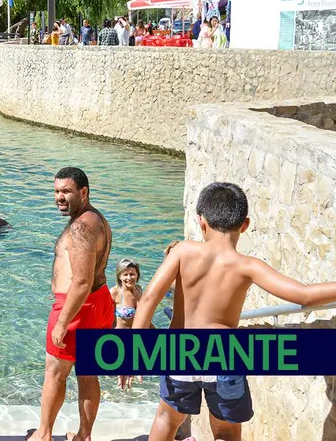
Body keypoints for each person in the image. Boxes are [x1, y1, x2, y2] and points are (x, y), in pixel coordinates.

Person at [121, 182, 336, 441]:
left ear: (201, 222)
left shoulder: (183, 251)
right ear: (244, 225)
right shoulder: (248, 266)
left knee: (167, 419)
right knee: (225, 431)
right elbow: (305, 296)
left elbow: (149, 300)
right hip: (223, 355)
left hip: (180, 351)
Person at [27, 167, 114, 441]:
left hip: (77, 308)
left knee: (54, 372)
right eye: (56, 191)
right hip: (98, 302)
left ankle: (43, 434)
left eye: (66, 191)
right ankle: (83, 435)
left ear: (83, 192)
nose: (59, 197)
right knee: (88, 374)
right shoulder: (97, 218)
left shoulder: (80, 227)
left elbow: (81, 282)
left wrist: (62, 322)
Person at [109, 258, 146, 329]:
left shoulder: (139, 289)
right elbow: (103, 317)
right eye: (125, 275)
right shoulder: (115, 292)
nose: (129, 278)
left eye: (132, 274)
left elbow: (144, 315)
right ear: (119, 276)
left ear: (137, 274)